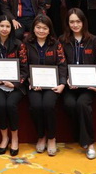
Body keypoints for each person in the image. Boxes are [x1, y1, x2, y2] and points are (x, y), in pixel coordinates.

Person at [60, 8, 96, 160]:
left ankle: (90, 143)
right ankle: (81, 135)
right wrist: (65, 79)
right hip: (70, 85)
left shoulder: (94, 40)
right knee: (70, 104)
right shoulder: (62, 40)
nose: (75, 25)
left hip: (88, 86)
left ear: (83, 22)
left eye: (78, 21)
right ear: (67, 23)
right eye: (72, 22)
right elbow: (61, 64)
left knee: (82, 104)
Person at [22, 15, 66, 156]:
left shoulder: (56, 44)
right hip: (34, 85)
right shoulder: (26, 43)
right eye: (38, 27)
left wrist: (62, 83)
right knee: (36, 106)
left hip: (52, 85)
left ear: (49, 30)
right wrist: (29, 80)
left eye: (44, 28)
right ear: (33, 28)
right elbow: (23, 65)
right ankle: (41, 136)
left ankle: (51, 137)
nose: (41, 31)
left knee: (48, 105)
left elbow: (62, 64)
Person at [0, 15, 28, 156]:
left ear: (11, 28)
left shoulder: (19, 44)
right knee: (0, 105)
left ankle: (15, 138)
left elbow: (24, 68)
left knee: (11, 105)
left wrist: (15, 83)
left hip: (16, 85)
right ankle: (5, 138)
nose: (4, 29)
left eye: (7, 26)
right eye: (2, 26)